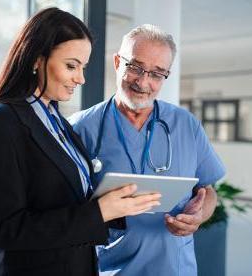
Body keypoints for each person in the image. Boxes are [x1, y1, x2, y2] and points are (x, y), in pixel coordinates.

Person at [0, 8, 161, 276]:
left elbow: (63, 200)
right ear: (36, 60)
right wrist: (98, 212)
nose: (81, 78)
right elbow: (5, 231)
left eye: (83, 67)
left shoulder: (58, 122)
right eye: (71, 66)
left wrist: (114, 203)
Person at [69, 24, 226, 276]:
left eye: (156, 73)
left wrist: (199, 215)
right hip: (110, 268)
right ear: (118, 62)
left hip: (176, 269)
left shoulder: (186, 125)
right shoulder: (82, 128)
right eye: (135, 67)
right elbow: (65, 210)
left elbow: (207, 191)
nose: (143, 82)